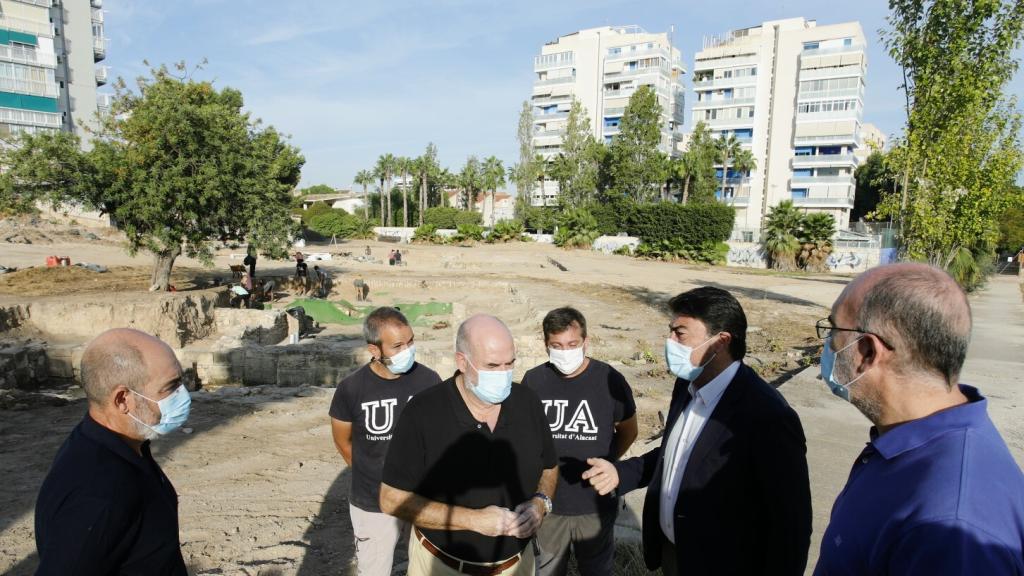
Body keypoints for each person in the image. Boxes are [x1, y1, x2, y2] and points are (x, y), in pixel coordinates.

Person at [583, 287, 812, 576]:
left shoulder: (767, 415)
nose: (669, 342)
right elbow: (677, 455)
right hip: (675, 555)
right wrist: (621, 474)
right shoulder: (687, 385)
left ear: (720, 342)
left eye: (680, 334)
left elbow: (790, 527)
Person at [813, 263, 1024, 574]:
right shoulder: (905, 442)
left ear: (868, 351)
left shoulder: (951, 528)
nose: (828, 344)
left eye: (833, 331)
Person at [380, 314, 558, 576]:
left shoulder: (528, 403)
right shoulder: (422, 412)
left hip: (517, 566)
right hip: (442, 566)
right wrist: (473, 521)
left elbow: (550, 468)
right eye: (492, 365)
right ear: (462, 361)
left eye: (510, 364)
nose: (504, 375)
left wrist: (540, 504)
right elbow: (390, 499)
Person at [35, 328, 191, 575]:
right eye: (170, 387)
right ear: (122, 400)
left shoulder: (122, 445)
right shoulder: (99, 494)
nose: (182, 395)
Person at [521, 307, 637, 576]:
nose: (565, 351)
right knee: (548, 569)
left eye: (572, 344)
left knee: (596, 569)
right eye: (557, 345)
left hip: (594, 504)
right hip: (550, 502)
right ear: (546, 345)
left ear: (586, 341)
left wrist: (609, 461)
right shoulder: (534, 380)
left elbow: (629, 430)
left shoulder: (609, 380)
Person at [329, 308, 442, 576]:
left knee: (429, 568)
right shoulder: (352, 389)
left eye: (411, 342)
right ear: (374, 350)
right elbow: (343, 442)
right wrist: (371, 476)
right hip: (372, 502)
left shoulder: (429, 381)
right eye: (398, 346)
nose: (408, 350)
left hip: (421, 498)